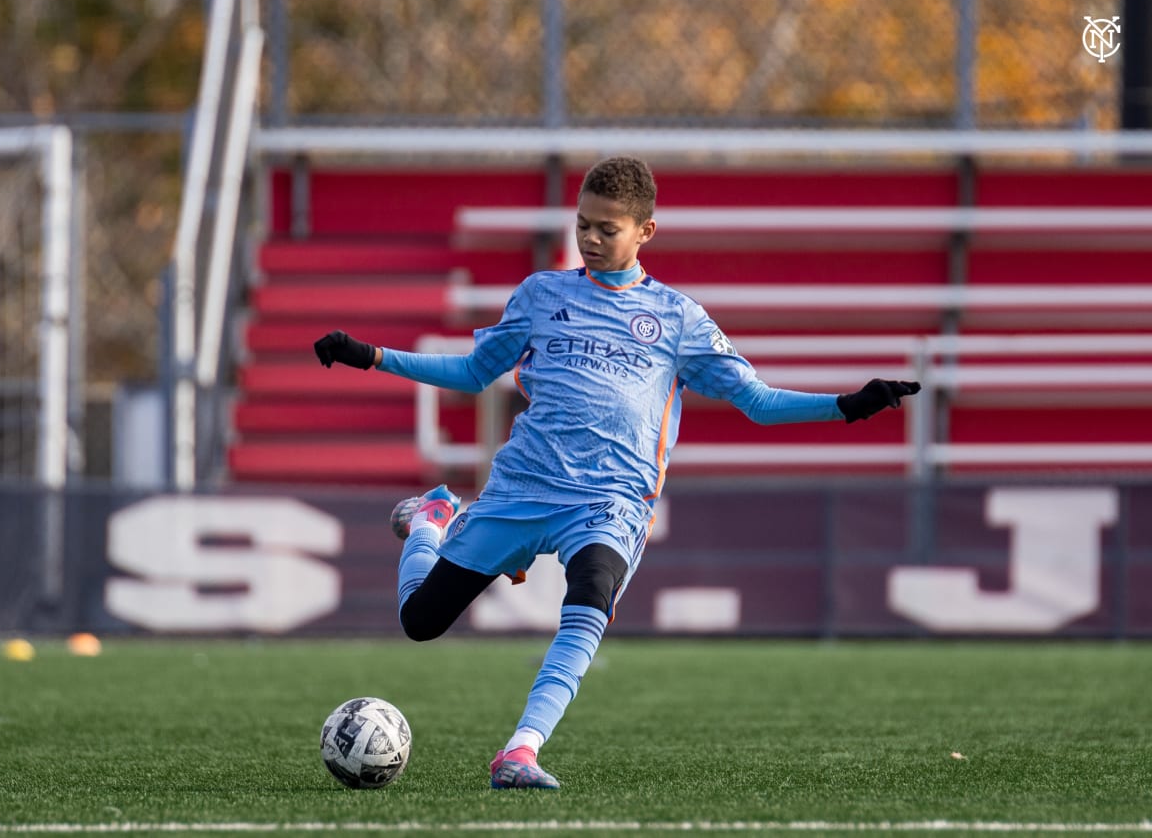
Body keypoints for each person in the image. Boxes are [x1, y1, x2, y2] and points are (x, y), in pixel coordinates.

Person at [314, 156, 920, 790]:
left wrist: (848, 406)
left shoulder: (679, 318)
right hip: (522, 486)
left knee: (590, 599)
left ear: (645, 232)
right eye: (583, 225)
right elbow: (471, 373)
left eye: (608, 228)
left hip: (608, 500)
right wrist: (371, 356)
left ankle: (519, 751)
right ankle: (431, 521)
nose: (591, 239)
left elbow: (757, 401)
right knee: (420, 622)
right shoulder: (542, 295)